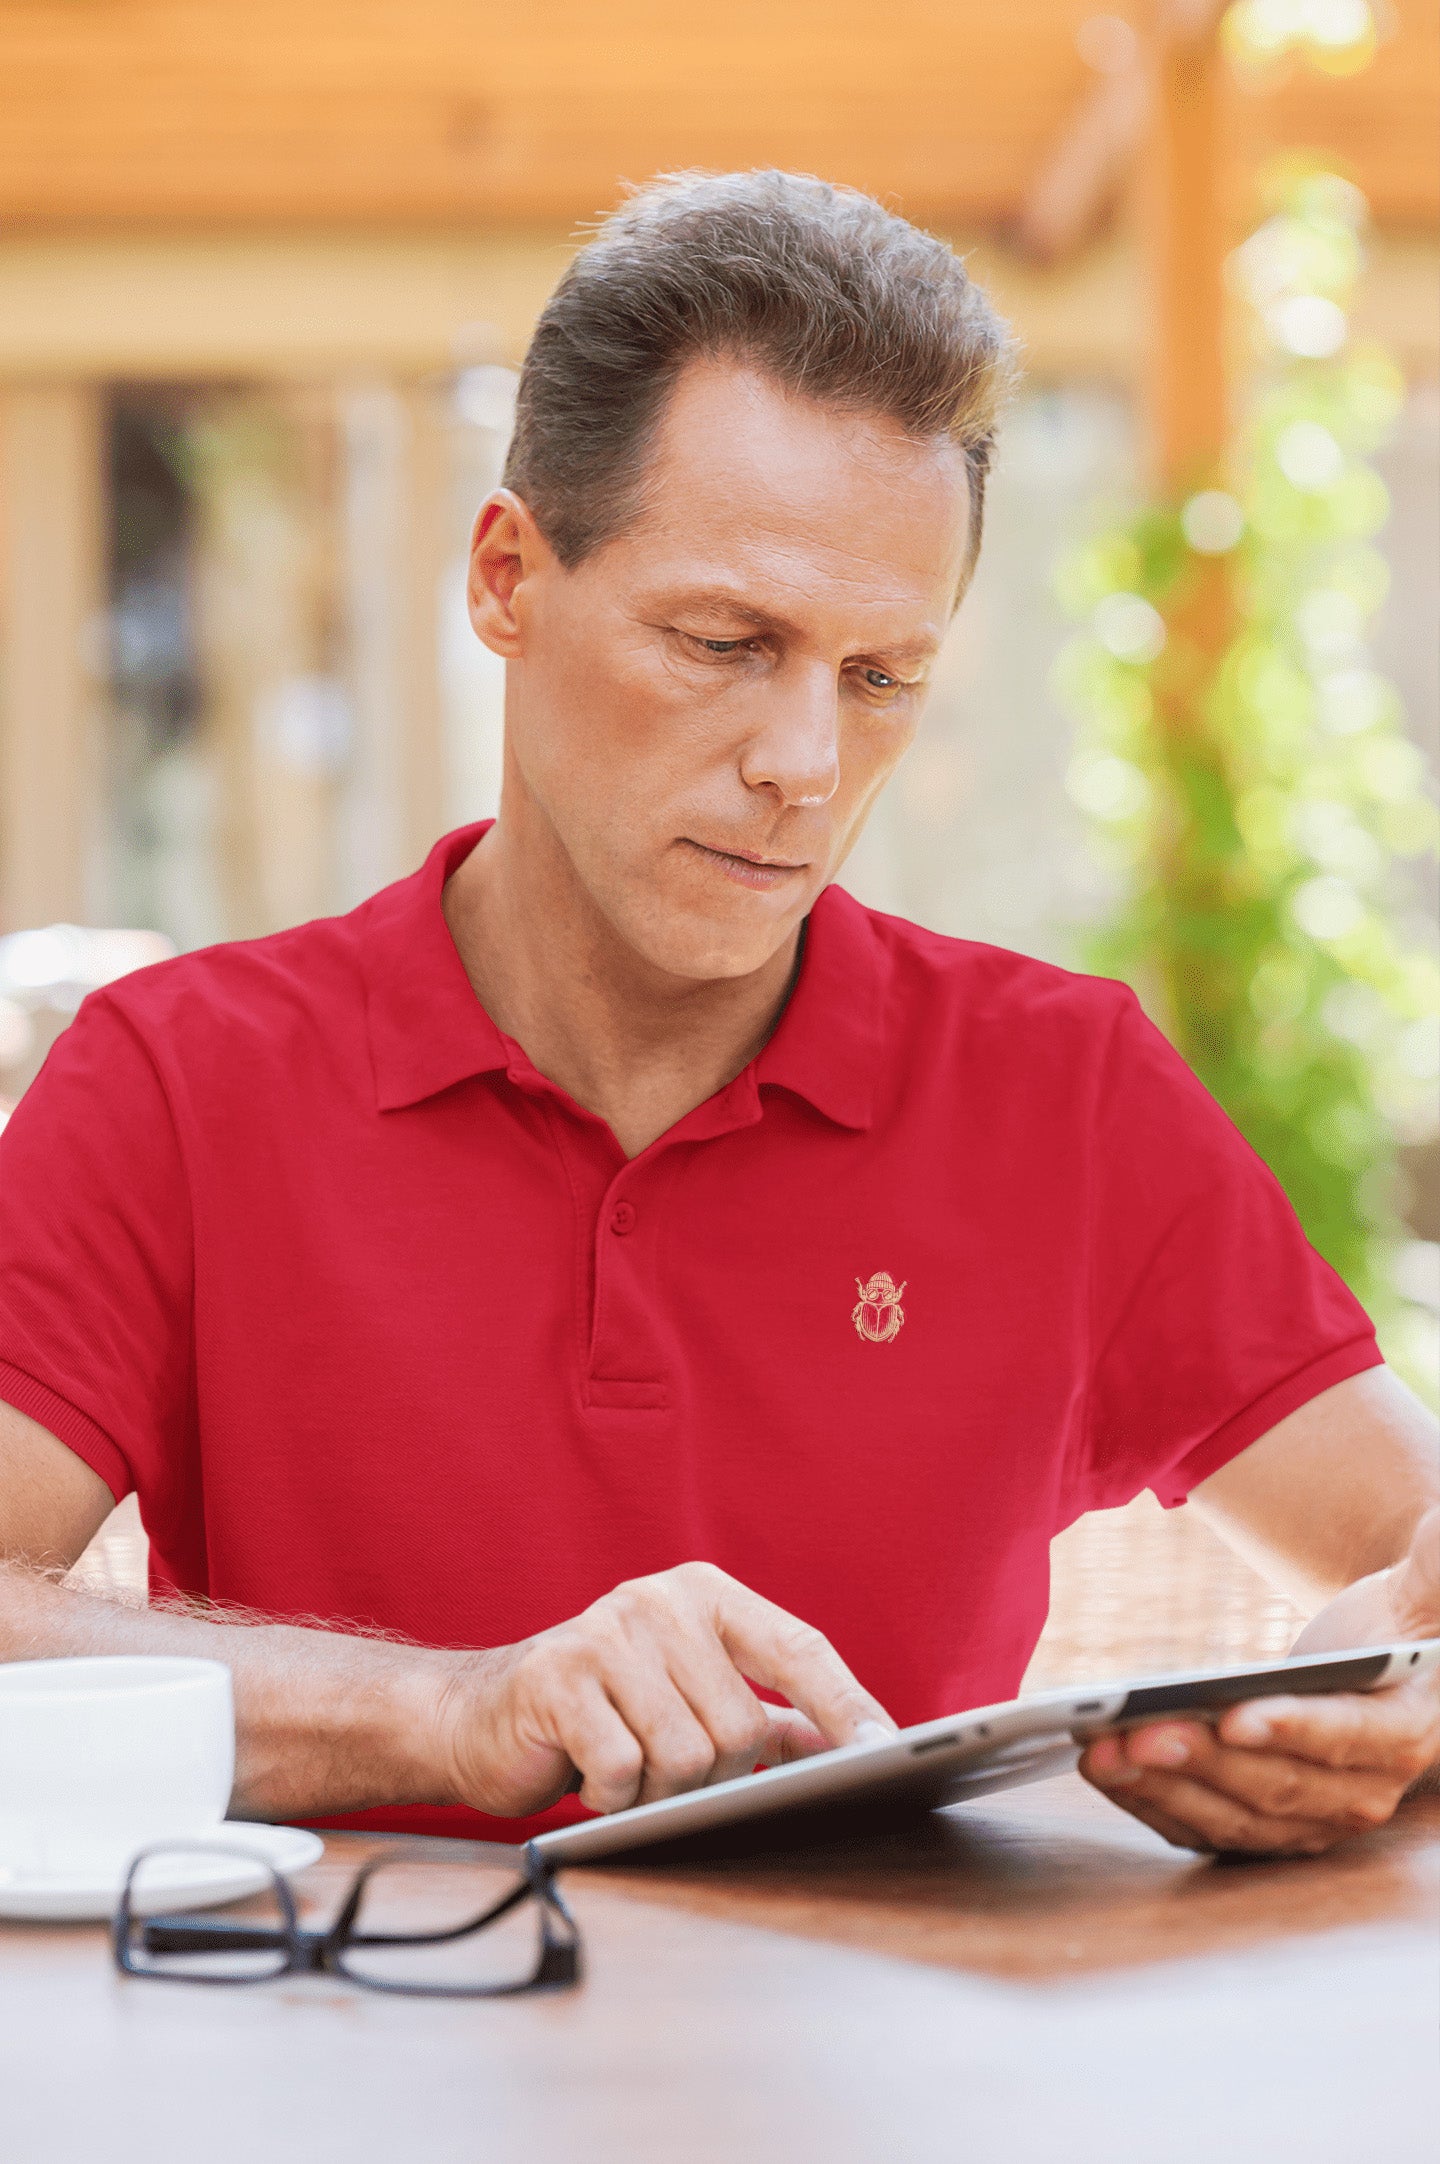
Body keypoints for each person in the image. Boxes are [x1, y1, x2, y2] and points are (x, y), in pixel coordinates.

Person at [0, 171, 1436, 1860]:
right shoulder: (179, 1081)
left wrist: (1393, 1696)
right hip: (340, 2074)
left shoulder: (1062, 1091)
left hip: (901, 2097)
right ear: (507, 580)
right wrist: (459, 1712)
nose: (805, 766)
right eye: (724, 639)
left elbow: (1412, 1538)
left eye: (880, 676)